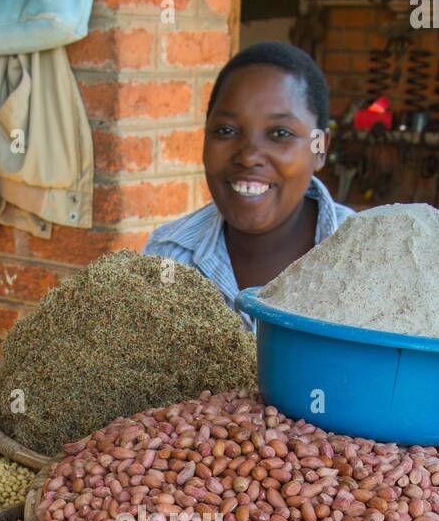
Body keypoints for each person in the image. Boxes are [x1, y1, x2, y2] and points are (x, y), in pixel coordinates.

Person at [145, 41, 353, 330]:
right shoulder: (168, 255)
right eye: (226, 131)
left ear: (320, 148)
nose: (249, 156)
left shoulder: (370, 259)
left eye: (280, 133)